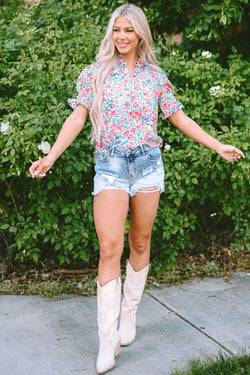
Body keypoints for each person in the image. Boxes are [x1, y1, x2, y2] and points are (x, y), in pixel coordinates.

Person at [29, 3, 245, 374]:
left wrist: (216, 144)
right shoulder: (94, 74)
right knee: (110, 247)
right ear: (110, 33)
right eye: (117, 29)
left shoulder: (154, 76)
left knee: (140, 241)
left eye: (129, 30)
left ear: (140, 33)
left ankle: (129, 315)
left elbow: (177, 116)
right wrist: (51, 157)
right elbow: (78, 116)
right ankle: (106, 338)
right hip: (110, 165)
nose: (122, 36)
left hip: (147, 165)